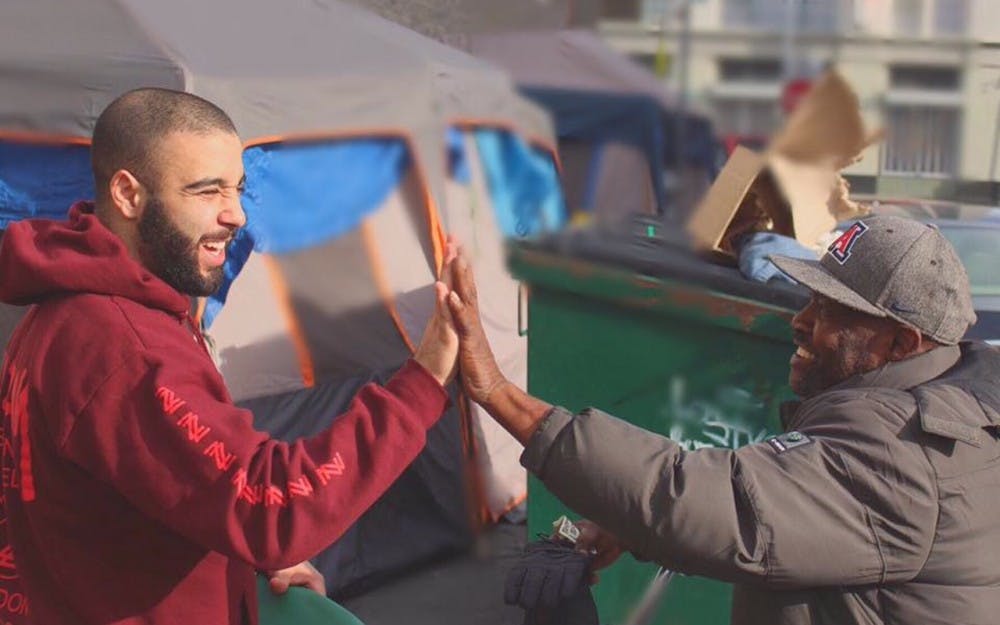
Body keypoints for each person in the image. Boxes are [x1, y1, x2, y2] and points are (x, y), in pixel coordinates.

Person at [0, 88, 460, 625]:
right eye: (206, 190)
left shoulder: (69, 305)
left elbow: (146, 490)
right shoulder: (124, 347)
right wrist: (426, 377)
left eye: (238, 188)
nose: (236, 214)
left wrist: (245, 565)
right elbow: (271, 503)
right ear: (128, 194)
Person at [446, 214, 1000, 625]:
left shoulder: (902, 454)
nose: (801, 322)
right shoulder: (952, 410)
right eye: (809, 299)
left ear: (903, 342)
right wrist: (629, 527)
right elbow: (788, 517)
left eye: (831, 312)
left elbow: (714, 499)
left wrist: (498, 394)